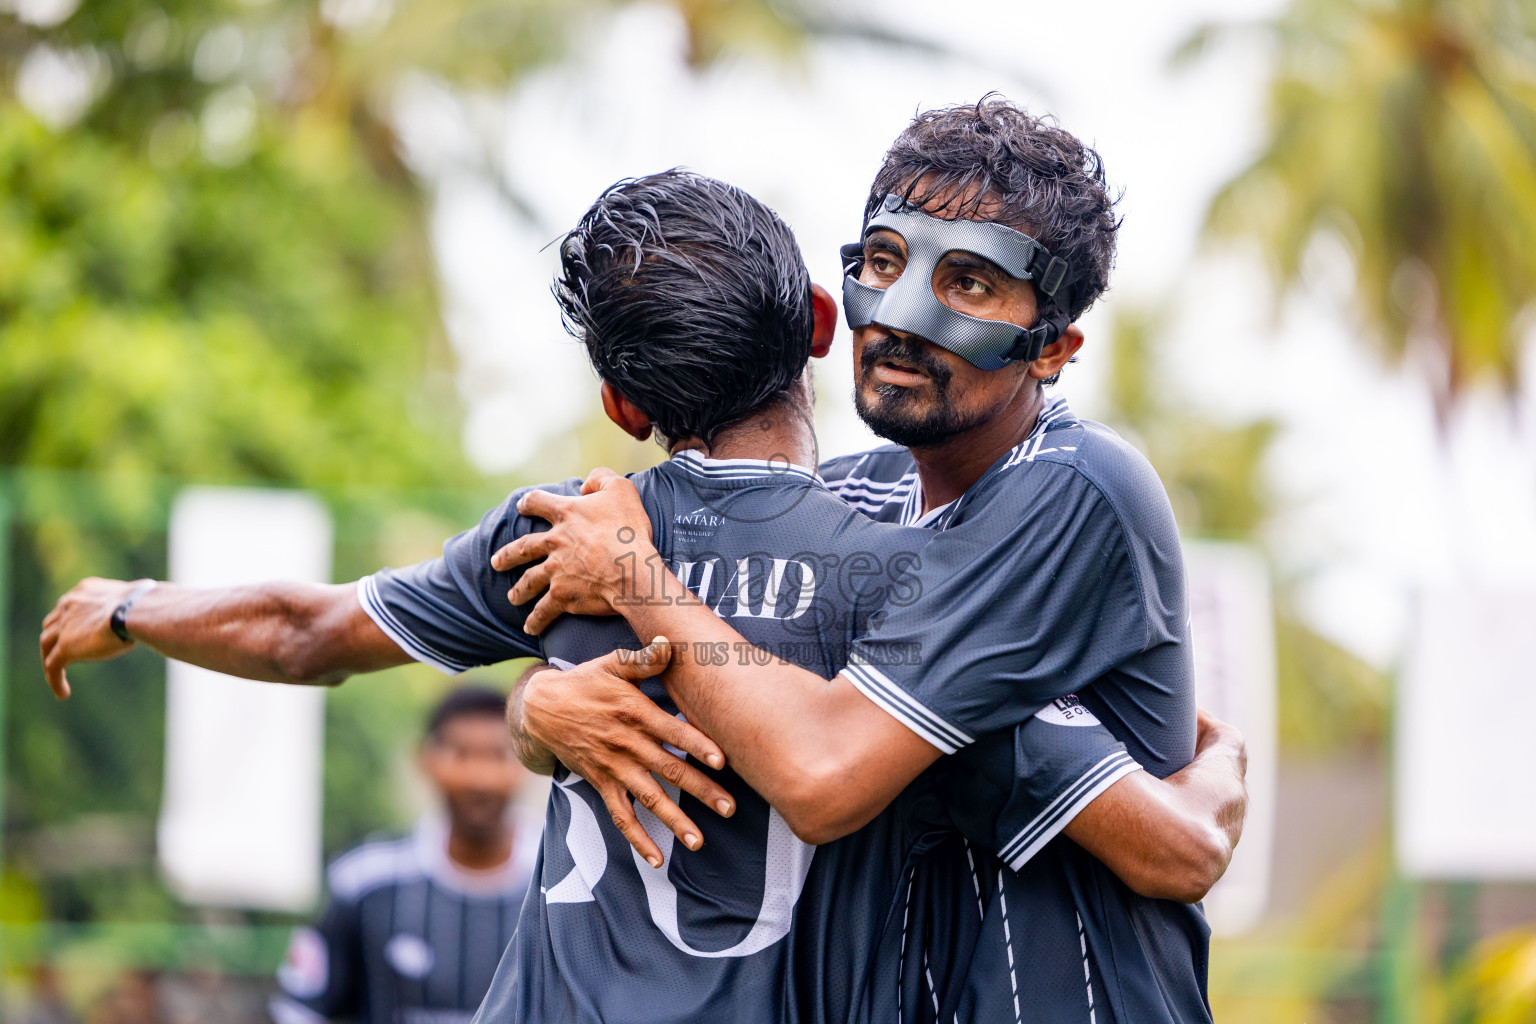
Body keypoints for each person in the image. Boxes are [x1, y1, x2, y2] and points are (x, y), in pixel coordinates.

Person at [38, 169, 1242, 1024]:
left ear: (622, 403)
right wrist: (1201, 795)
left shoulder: (566, 530)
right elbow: (1118, 806)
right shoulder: (911, 572)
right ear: (825, 327)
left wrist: (137, 603)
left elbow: (307, 630)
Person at [491, 98, 1225, 1023]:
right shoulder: (851, 499)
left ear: (1056, 349)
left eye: (971, 284)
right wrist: (540, 708)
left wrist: (636, 574)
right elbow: (697, 678)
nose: (904, 317)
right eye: (887, 260)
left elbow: (821, 770)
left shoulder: (1075, 488)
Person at [269, 685, 538, 1024]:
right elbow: (299, 1008)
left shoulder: (565, 883)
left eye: (498, 755)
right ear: (425, 759)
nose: (479, 777)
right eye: (461, 754)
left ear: (530, 760)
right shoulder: (363, 882)